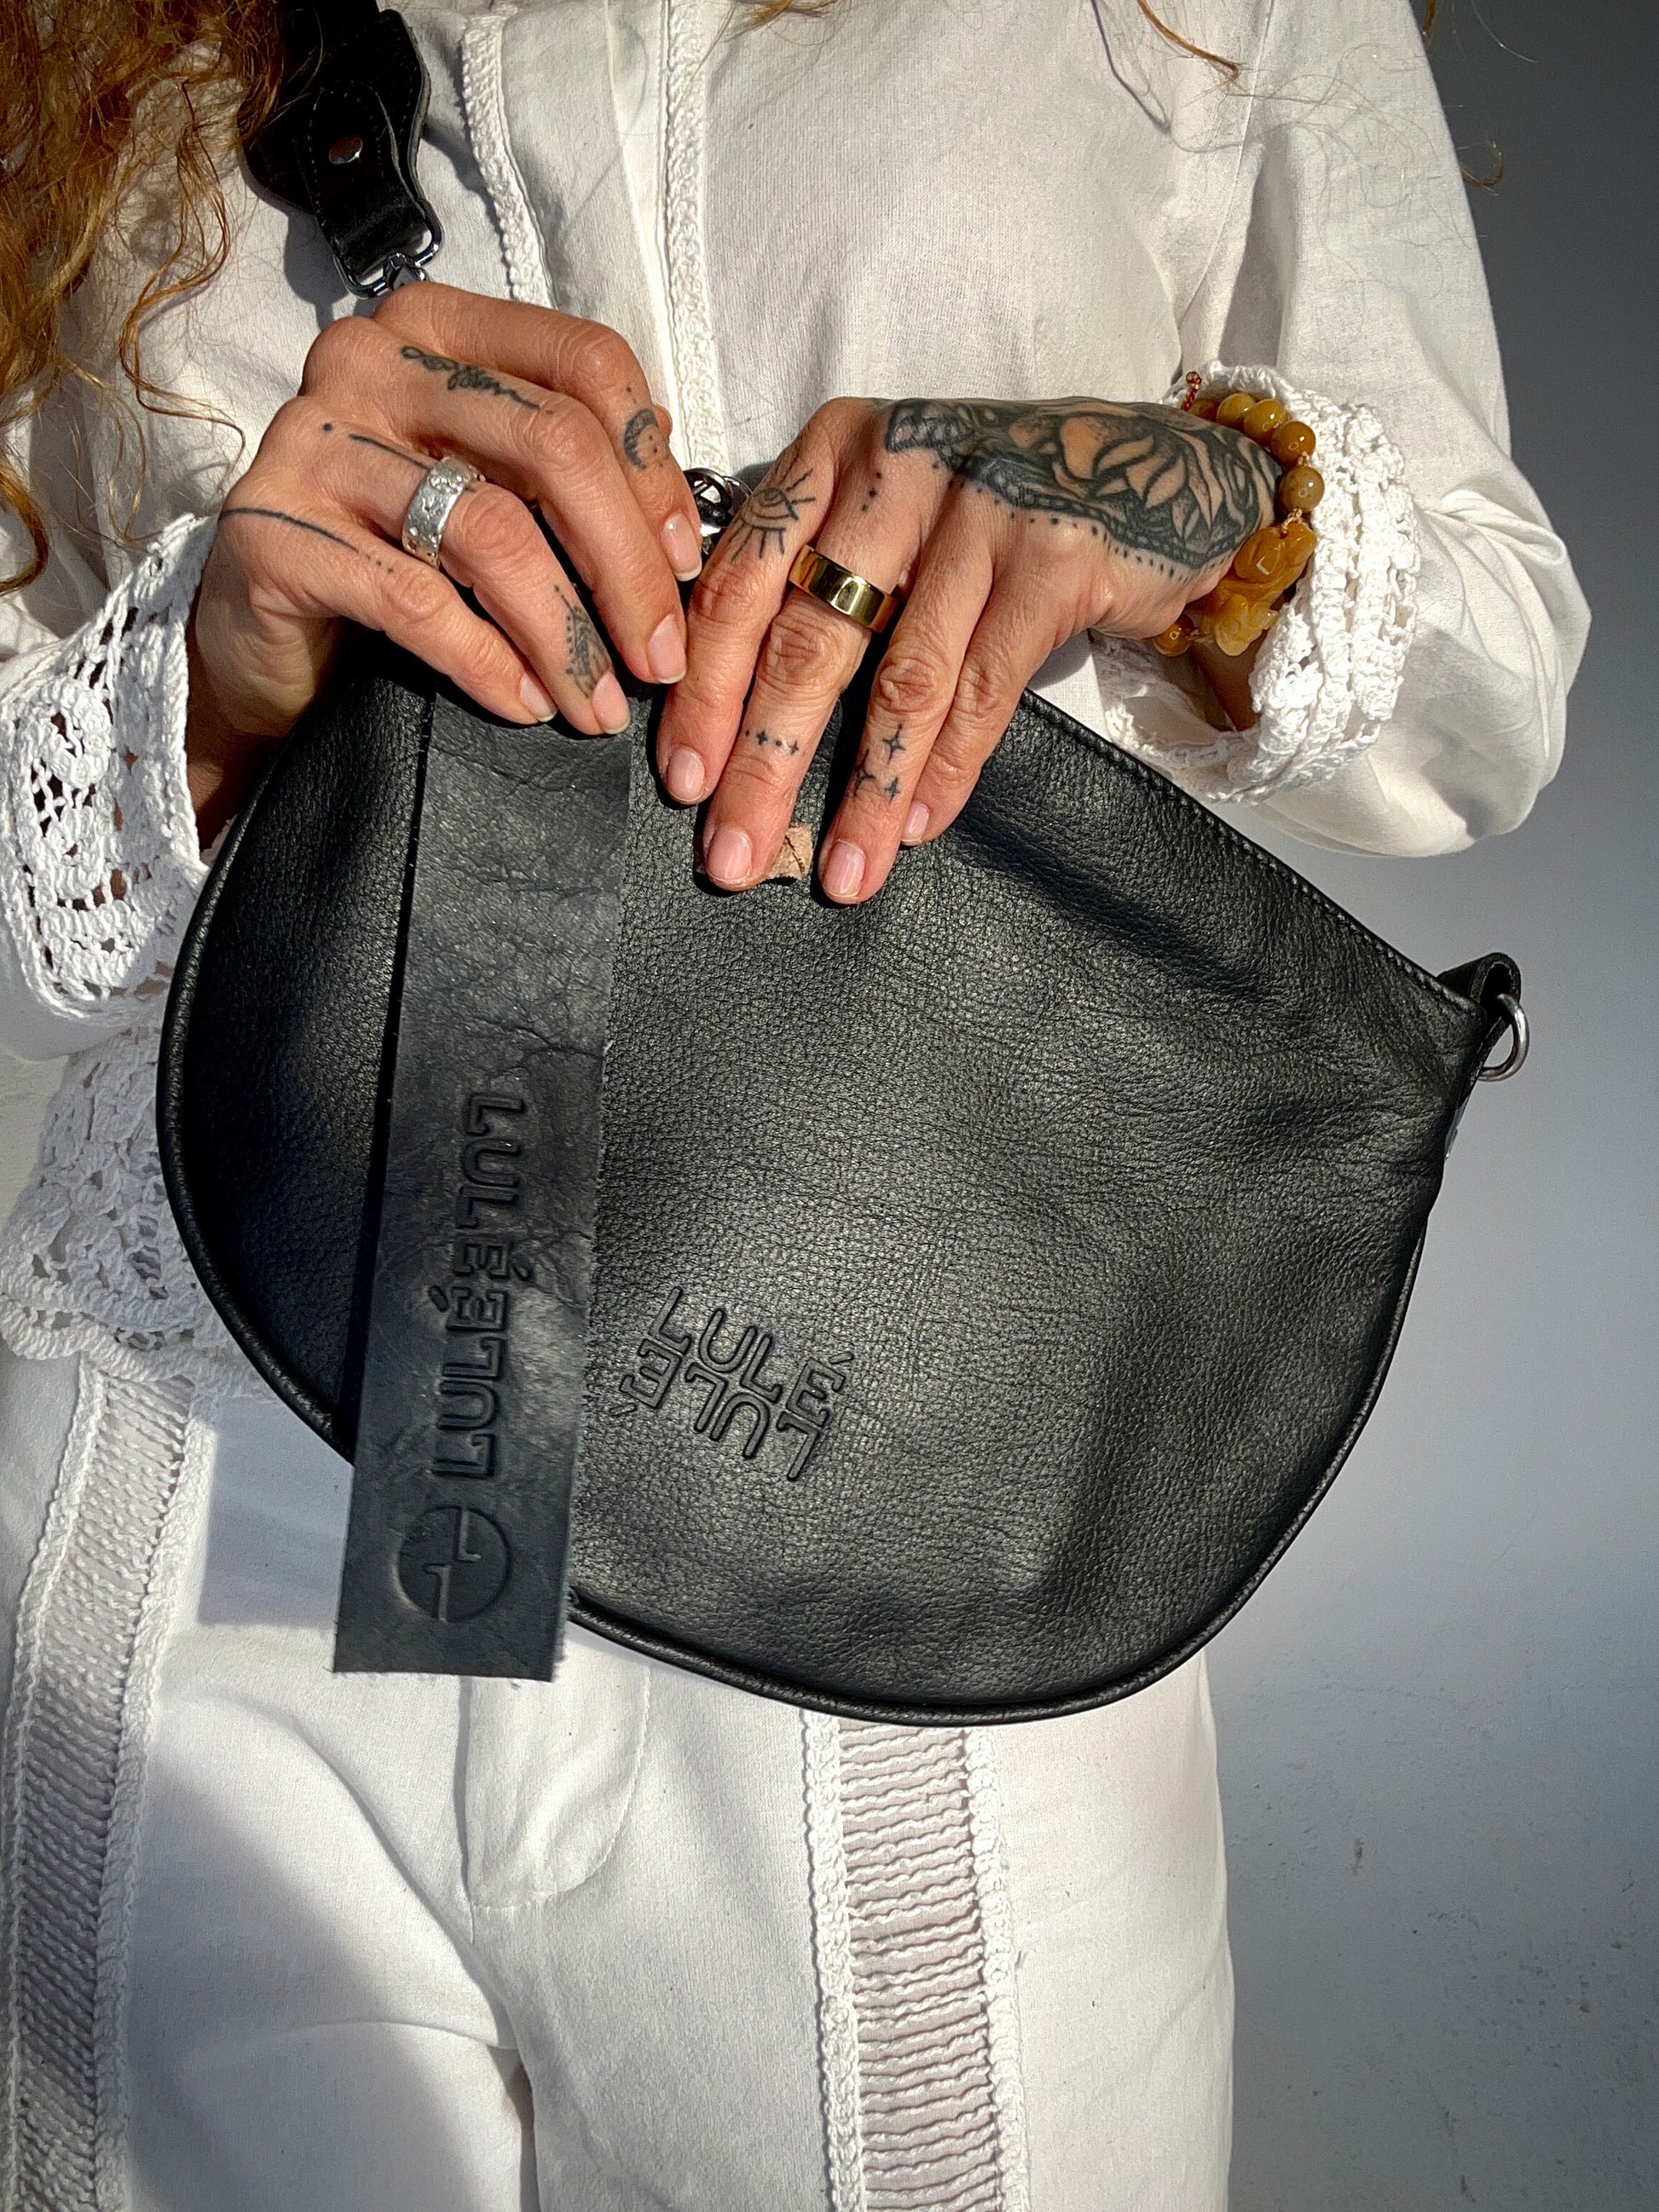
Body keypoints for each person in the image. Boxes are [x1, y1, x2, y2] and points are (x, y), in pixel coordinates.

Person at [0, 2, 1587, 2206]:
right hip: (200, 1487)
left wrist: (1196, 508)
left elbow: (1497, 666)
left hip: (912, 1544)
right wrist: (192, 684)